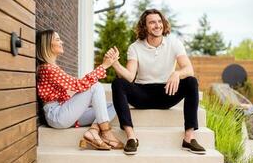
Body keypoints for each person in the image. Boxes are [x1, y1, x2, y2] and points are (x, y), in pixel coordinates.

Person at [105, 9, 206, 155]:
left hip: (167, 93)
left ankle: (189, 138)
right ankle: (131, 137)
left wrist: (177, 73)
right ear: (145, 26)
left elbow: (189, 69)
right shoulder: (135, 47)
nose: (157, 25)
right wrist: (115, 64)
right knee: (118, 83)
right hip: (142, 94)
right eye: (152, 22)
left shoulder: (174, 43)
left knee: (191, 81)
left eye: (159, 22)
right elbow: (129, 76)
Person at [36, 29, 123, 150]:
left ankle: (93, 131)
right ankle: (106, 133)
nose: (62, 42)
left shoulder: (53, 67)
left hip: (65, 112)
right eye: (57, 39)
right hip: (56, 115)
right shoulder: (47, 68)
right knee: (95, 86)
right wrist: (104, 66)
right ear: (47, 45)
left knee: (114, 105)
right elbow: (79, 85)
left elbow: (76, 88)